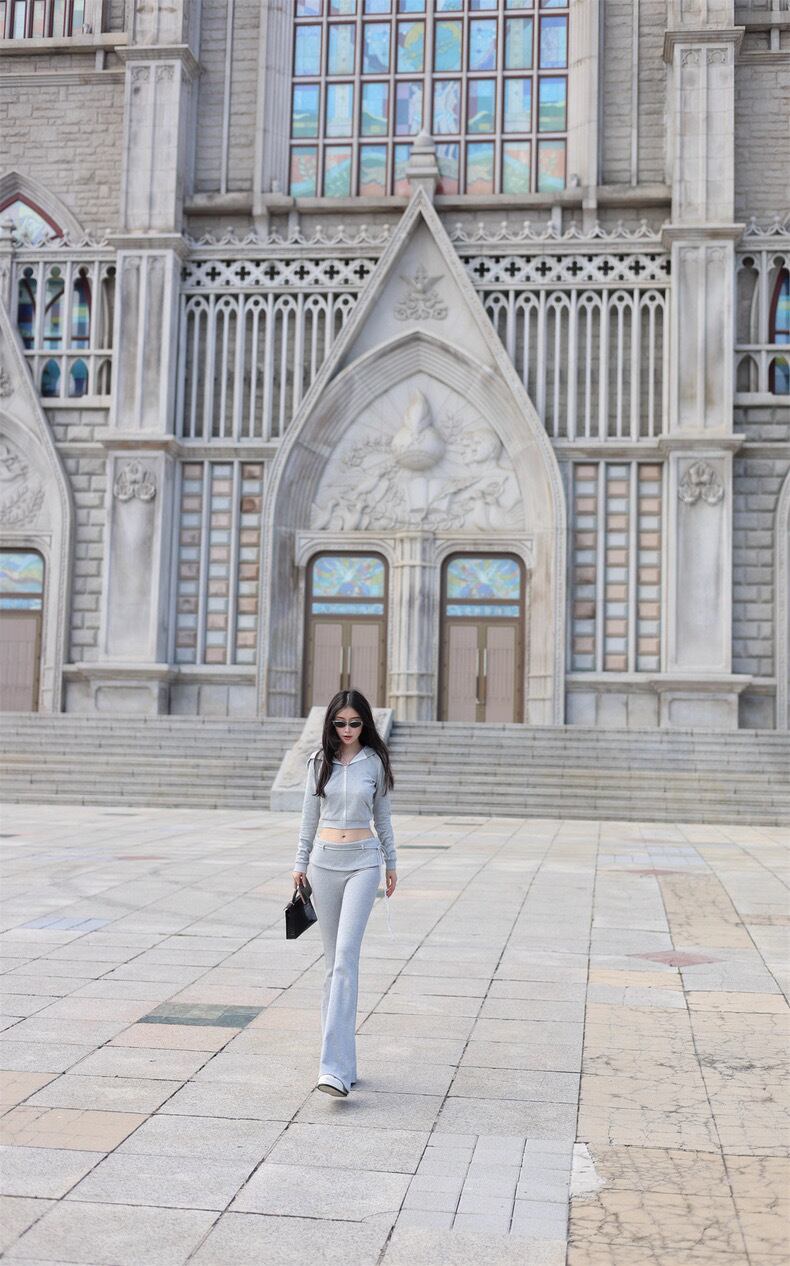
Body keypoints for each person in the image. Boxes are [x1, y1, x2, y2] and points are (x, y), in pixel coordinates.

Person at [292, 689, 397, 1098]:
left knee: (345, 961)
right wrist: (300, 864)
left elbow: (383, 819)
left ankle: (331, 1069)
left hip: (363, 864)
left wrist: (392, 863)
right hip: (323, 864)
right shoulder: (318, 762)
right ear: (331, 724)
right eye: (340, 723)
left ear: (364, 723)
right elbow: (308, 818)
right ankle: (344, 1065)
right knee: (331, 966)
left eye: (354, 723)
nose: (347, 730)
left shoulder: (375, 762)